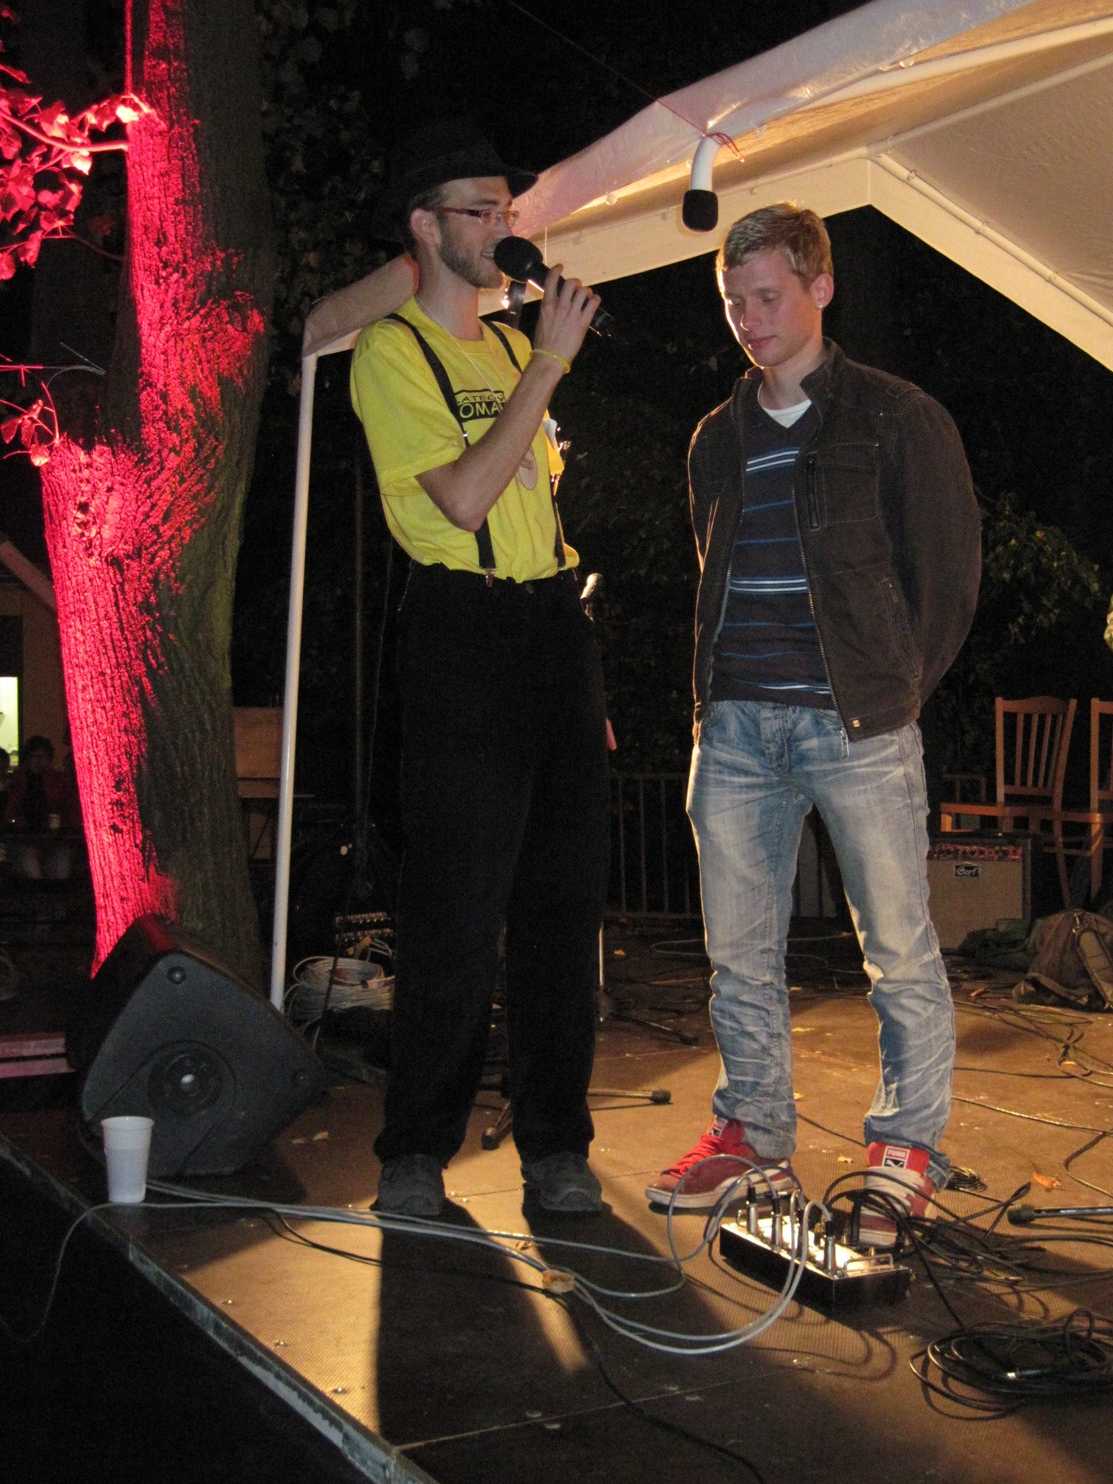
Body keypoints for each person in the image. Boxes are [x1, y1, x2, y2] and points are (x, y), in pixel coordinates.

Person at [646, 204, 981, 1248]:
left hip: (856, 725)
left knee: (899, 950)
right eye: (733, 301)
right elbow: (713, 576)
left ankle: (904, 1149)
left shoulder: (896, 417)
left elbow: (947, 580)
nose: (749, 318)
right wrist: (714, 706)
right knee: (739, 954)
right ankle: (752, 1130)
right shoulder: (716, 438)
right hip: (734, 729)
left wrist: (891, 692)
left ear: (820, 286)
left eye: (767, 296)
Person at [349, 120, 609, 1218]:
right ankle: (415, 1148)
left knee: (563, 905)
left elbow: (534, 492)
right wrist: (549, 363)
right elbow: (460, 499)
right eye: (481, 210)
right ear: (425, 225)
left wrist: (575, 667)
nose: (505, 228)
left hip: (549, 623)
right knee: (455, 908)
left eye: (508, 210)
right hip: (461, 629)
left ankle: (556, 1144)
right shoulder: (390, 352)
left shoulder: (508, 351)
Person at [3, 734, 80, 880]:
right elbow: (10, 809)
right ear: (28, 759)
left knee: (60, 868)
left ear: (49, 759)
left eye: (43, 757)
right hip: (25, 838)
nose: (39, 761)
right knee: (32, 867)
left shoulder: (57, 781)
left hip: (54, 838)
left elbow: (68, 807)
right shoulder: (18, 781)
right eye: (34, 757)